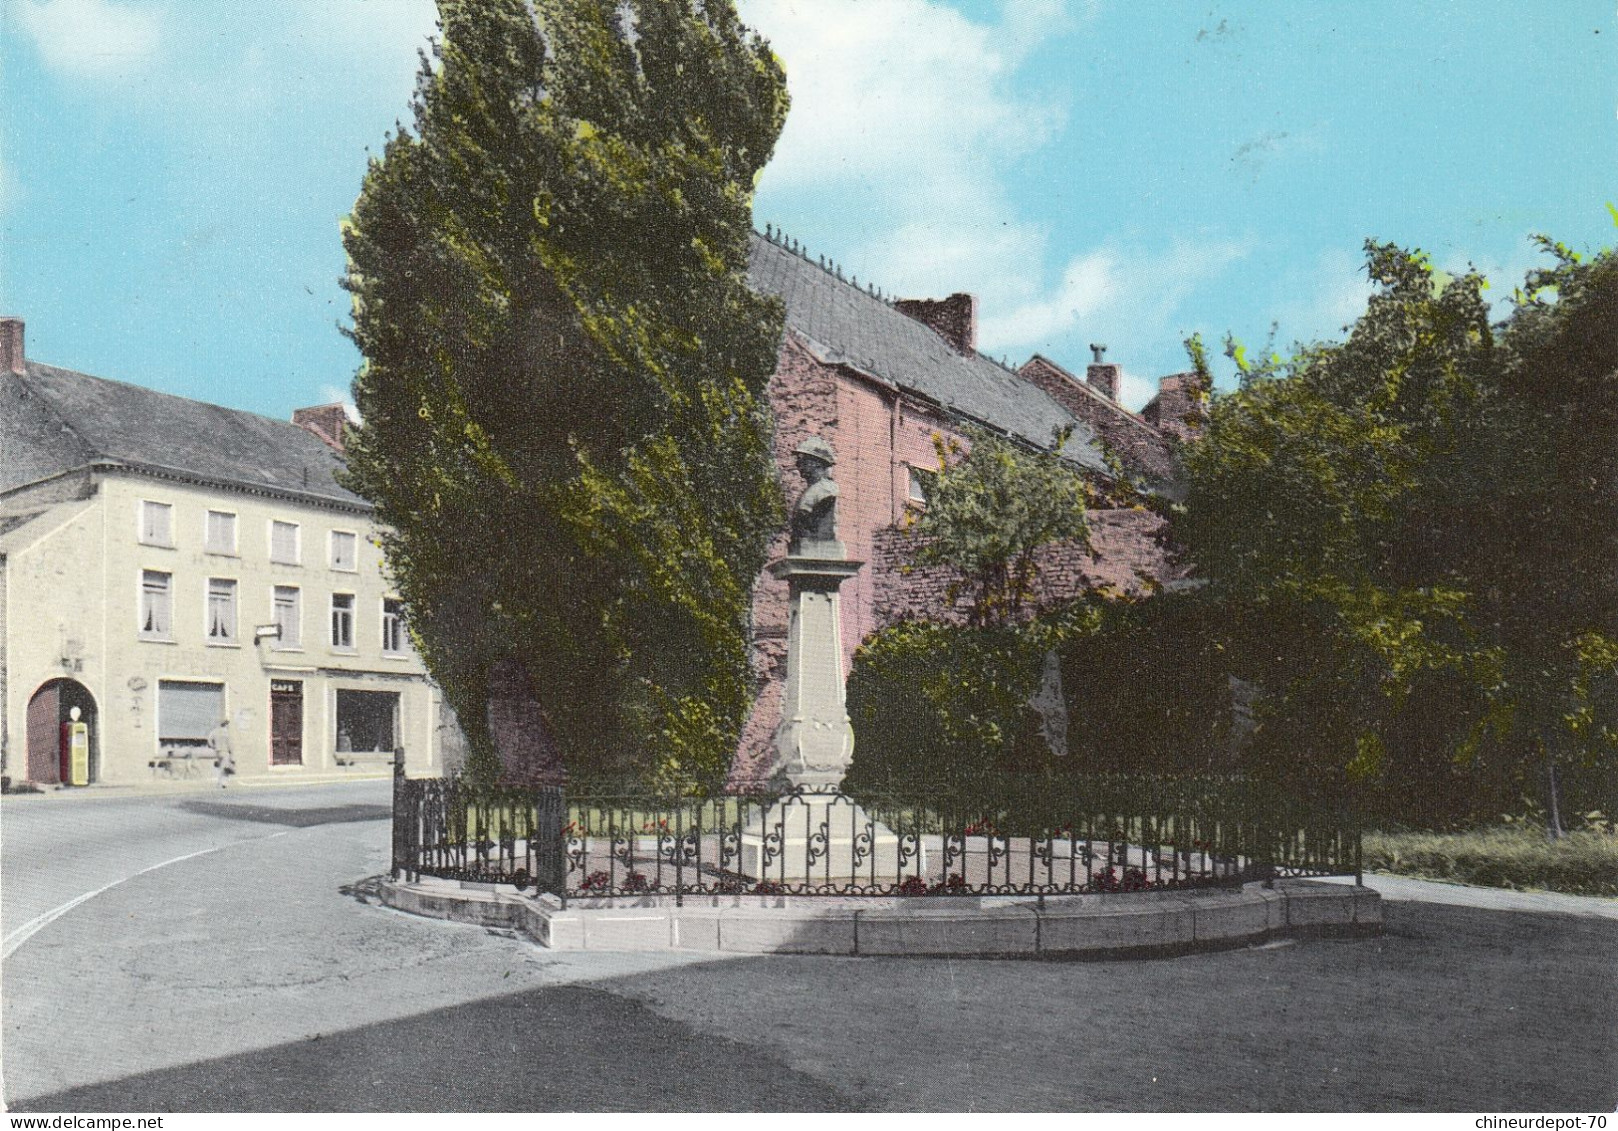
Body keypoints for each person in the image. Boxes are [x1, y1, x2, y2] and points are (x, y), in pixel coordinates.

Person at [208, 719, 235, 789]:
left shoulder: (214, 731)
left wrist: (213, 746)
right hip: (225, 752)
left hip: (218, 752)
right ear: (225, 725)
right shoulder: (226, 733)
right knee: (225, 768)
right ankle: (223, 783)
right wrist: (232, 753)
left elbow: (209, 740)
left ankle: (220, 782)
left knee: (220, 767)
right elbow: (229, 744)